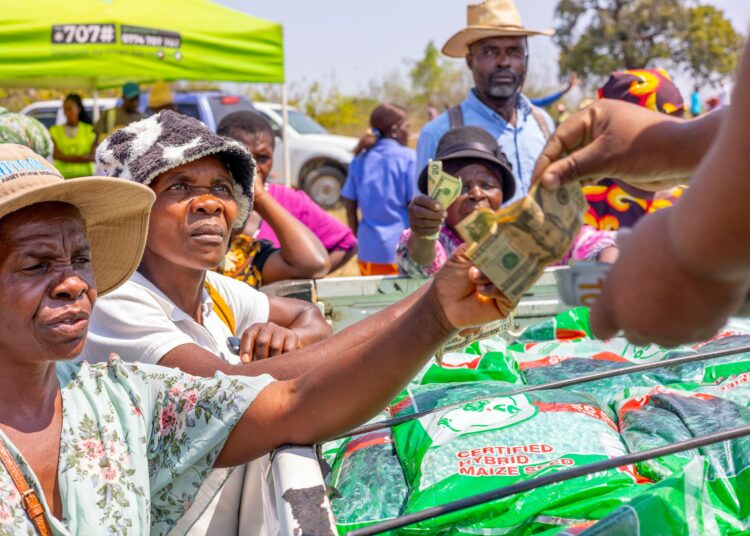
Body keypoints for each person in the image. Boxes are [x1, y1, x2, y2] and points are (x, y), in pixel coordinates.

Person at [0, 142, 512, 535]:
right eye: (36, 263)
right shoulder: (128, 317)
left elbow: (293, 402)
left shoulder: (121, 399)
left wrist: (435, 316)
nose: (73, 282)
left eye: (81, 260)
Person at [87, 110, 332, 534]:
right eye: (180, 186)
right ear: (133, 211)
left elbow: (312, 318)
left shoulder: (215, 291)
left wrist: (287, 337)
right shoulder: (115, 300)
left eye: (221, 187)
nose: (210, 202)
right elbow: (234, 395)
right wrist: (428, 317)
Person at [531, 36, 750, 347]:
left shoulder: (697, 193)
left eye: (677, 119)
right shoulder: (584, 205)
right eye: (659, 120)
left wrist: (695, 261)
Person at [416, 0, 555, 204]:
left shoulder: (542, 123)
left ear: (525, 59)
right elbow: (427, 222)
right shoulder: (439, 133)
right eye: (490, 52)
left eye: (514, 51)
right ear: (470, 60)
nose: (504, 62)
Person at [217, 111, 358, 273]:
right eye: (243, 157)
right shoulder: (208, 201)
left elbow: (347, 243)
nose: (253, 167)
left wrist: (297, 281)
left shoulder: (289, 200)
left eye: (263, 158)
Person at [397, 126, 515, 278]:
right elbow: (420, 262)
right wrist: (424, 235)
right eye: (461, 187)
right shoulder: (437, 239)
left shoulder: (518, 237)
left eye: (487, 185)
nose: (477, 194)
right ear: (440, 197)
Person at [585, 68, 687, 231]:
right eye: (657, 133)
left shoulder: (694, 198)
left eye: (679, 128)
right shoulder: (587, 204)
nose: (673, 144)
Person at [342, 103, 416, 275]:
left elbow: (349, 206)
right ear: (395, 130)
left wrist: (359, 239)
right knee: (403, 301)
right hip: (400, 252)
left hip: (368, 252)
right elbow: (415, 207)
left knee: (373, 302)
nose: (410, 133)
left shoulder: (360, 160)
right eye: (407, 127)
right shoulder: (409, 159)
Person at [48, 93, 97, 179]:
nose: (67, 113)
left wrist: (65, 158)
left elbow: (93, 156)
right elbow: (55, 155)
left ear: (78, 109)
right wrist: (81, 158)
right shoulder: (54, 131)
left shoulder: (89, 130)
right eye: (65, 109)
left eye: (70, 109)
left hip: (86, 177)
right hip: (62, 177)